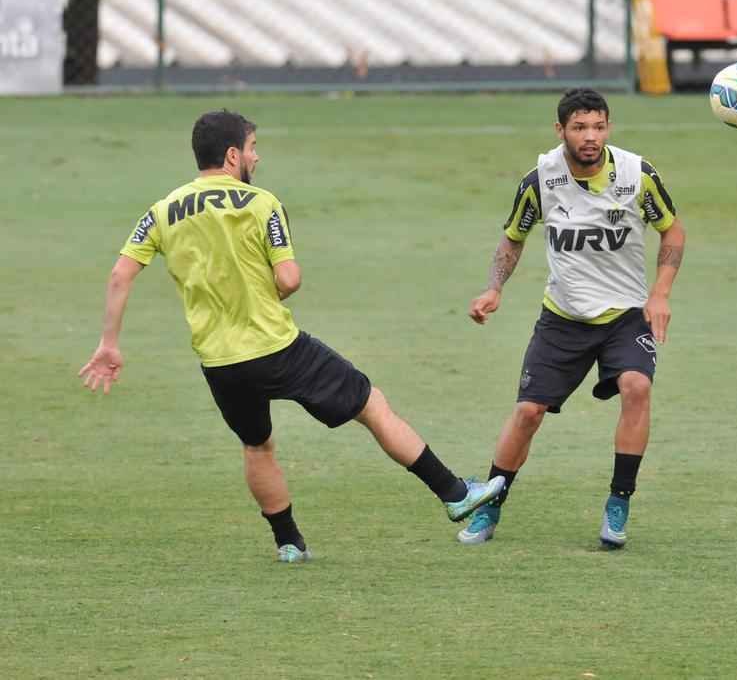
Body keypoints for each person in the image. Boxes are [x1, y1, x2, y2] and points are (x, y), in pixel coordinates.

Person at [78, 109, 504, 563]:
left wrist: (109, 343)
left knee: (257, 444)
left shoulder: (162, 211)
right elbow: (289, 278)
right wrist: (271, 290)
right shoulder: (260, 203)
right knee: (371, 405)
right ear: (231, 155)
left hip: (220, 362)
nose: (256, 158)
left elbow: (121, 273)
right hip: (277, 348)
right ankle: (455, 493)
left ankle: (289, 544)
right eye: (253, 147)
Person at [457, 88, 686, 548]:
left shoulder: (636, 175)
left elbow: (672, 231)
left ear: (608, 128)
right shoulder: (540, 181)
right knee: (528, 412)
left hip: (625, 314)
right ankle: (489, 507)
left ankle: (619, 503)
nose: (590, 137)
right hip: (563, 317)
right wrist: (494, 287)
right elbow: (513, 239)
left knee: (636, 386)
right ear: (560, 130)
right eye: (580, 128)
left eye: (599, 126)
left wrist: (659, 294)